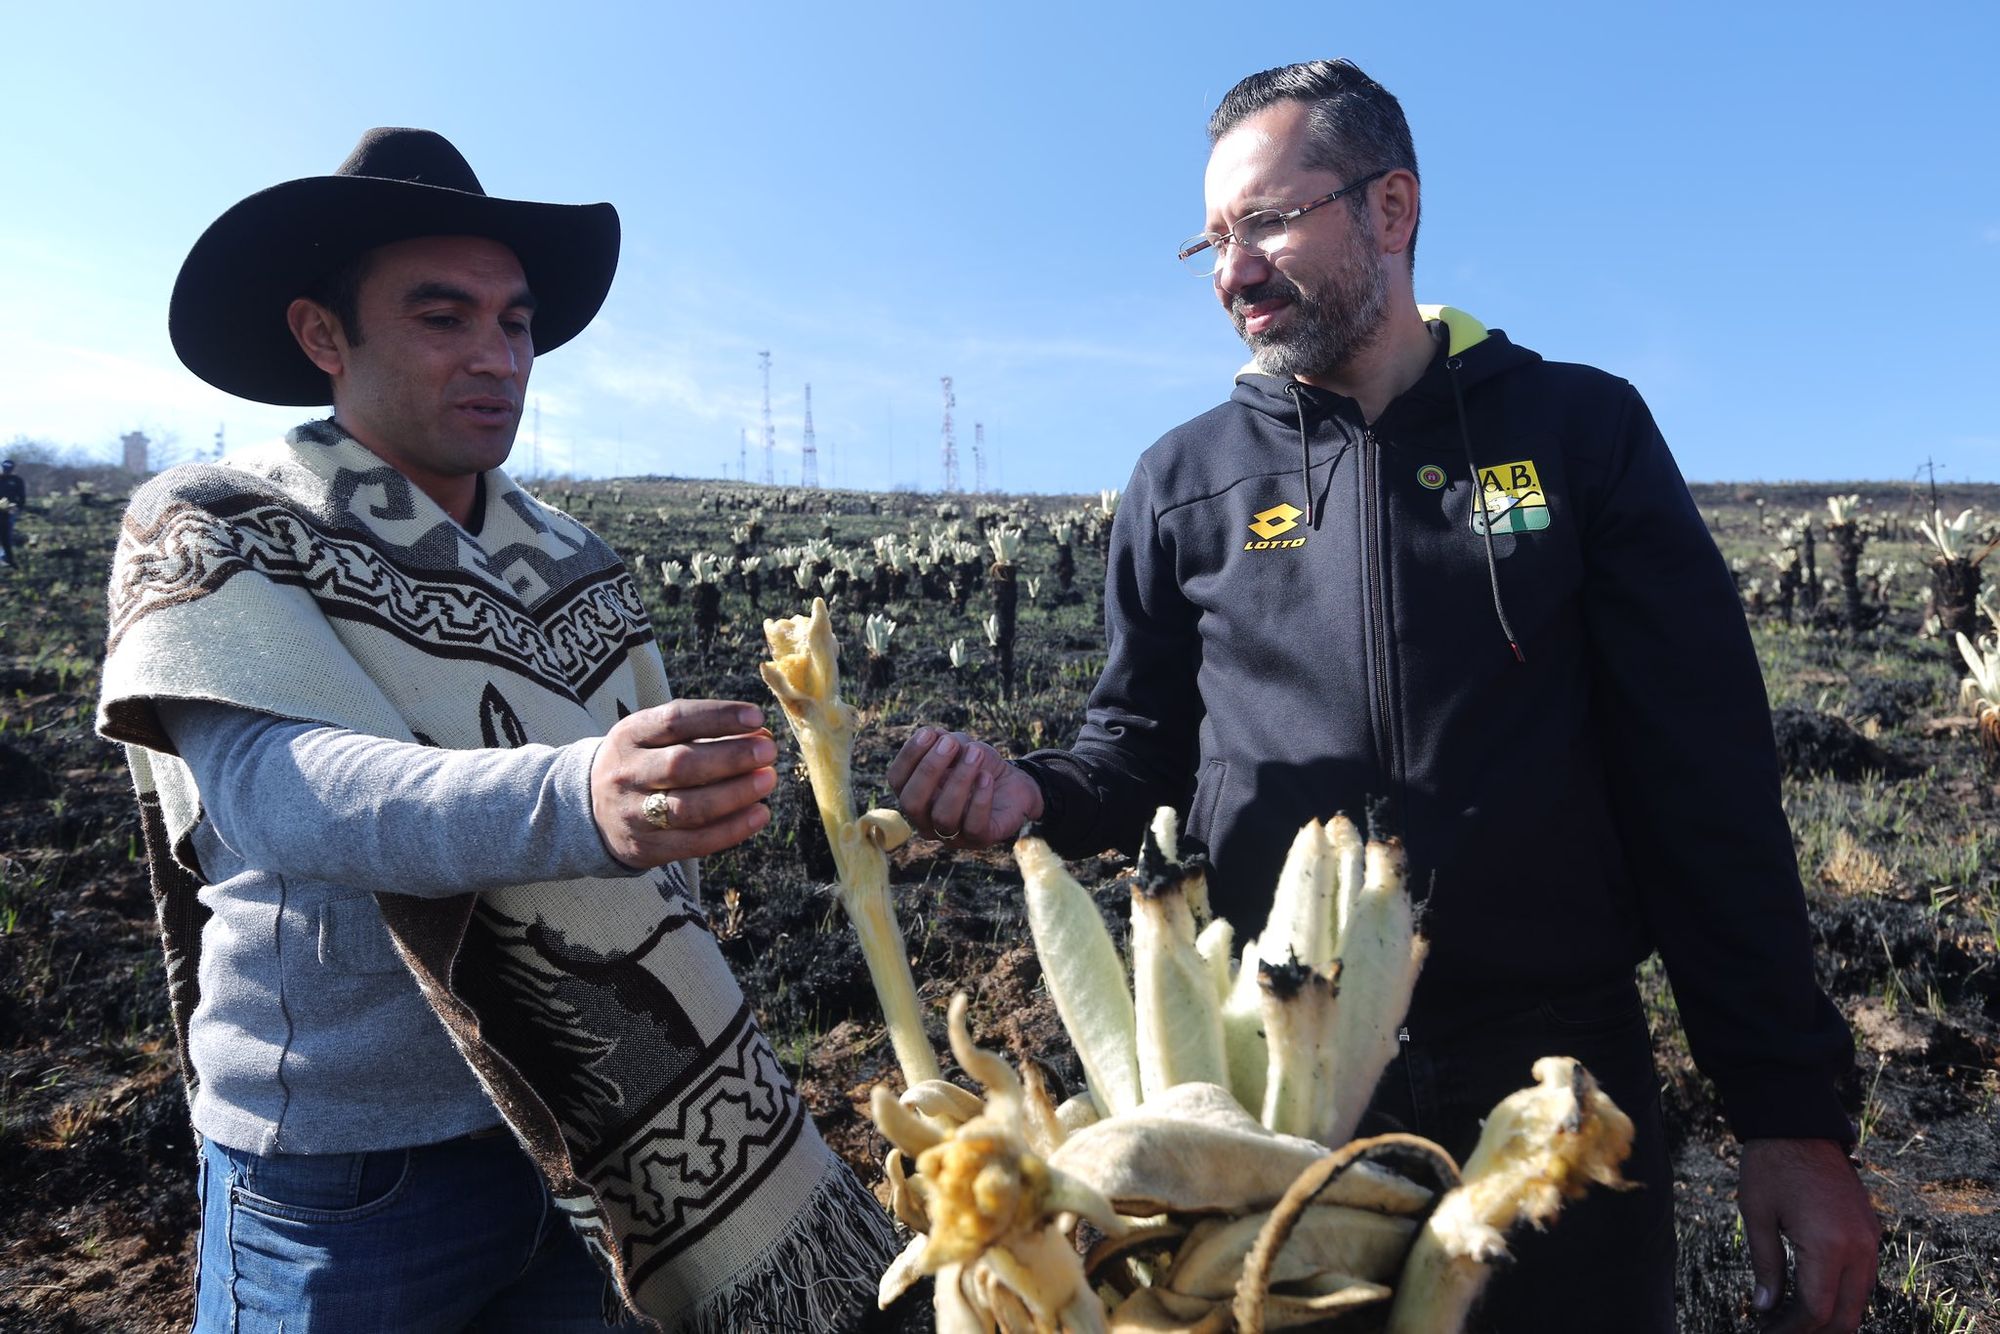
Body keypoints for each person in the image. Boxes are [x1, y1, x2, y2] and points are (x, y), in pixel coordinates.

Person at [891, 60, 1879, 1333]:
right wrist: (1029, 793)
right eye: (1210, 239)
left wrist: (1787, 1116)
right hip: (1276, 1099)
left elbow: (1704, 782)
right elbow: (1132, 749)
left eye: (1265, 221)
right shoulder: (1183, 483)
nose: (1231, 271)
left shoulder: (1580, 433)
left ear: (1390, 207)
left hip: (1551, 1082)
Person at [96, 128, 896, 1333]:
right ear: (322, 334)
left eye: (514, 323)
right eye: (442, 316)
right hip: (346, 1171)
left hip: (596, 1145)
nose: (497, 356)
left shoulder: (579, 562)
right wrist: (579, 797)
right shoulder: (217, 522)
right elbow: (272, 789)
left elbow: (652, 864)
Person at [0, 459, 25, 564]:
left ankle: (8, 558)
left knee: (6, 535)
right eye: (5, 468)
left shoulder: (17, 480)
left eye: (9, 469)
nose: (6, 471)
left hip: (9, 511)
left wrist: (17, 507)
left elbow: (22, 497)